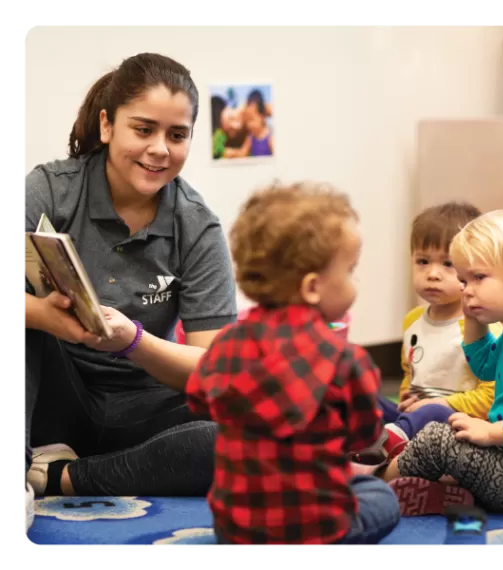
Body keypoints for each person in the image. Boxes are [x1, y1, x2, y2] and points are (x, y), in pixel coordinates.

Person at [24, 53, 237, 536]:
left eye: (177, 135)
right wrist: (45, 315)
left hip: (145, 413)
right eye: (143, 130)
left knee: (248, 428)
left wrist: (131, 341)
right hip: (52, 402)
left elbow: (214, 371)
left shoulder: (197, 225)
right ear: (107, 125)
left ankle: (65, 477)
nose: (160, 149)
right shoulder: (48, 190)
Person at [184, 182, 401, 546]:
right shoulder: (345, 360)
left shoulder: (227, 344)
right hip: (316, 531)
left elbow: (198, 400)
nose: (354, 282)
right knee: (380, 497)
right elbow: (364, 436)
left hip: (236, 530)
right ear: (313, 287)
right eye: (350, 271)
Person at [383, 209, 503, 517]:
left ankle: (371, 486)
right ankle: (437, 491)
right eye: (462, 280)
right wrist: (472, 319)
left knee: (436, 439)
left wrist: (491, 433)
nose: (465, 290)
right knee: (443, 430)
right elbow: (485, 366)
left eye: (478, 278)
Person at [350, 202, 502, 475]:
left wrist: (438, 404)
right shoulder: (413, 320)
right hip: (413, 419)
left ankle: (374, 462)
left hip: (455, 424)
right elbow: (411, 373)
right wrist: (405, 399)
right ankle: (366, 449)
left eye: (448, 264)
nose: (432, 273)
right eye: (423, 261)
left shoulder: (484, 326)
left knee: (430, 414)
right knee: (366, 399)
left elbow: (491, 398)